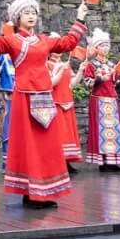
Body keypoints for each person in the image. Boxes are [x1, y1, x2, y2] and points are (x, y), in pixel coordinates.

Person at [0, 0, 89, 208]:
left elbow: (68, 43)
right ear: (17, 18)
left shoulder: (44, 40)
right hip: (24, 97)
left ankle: (44, 190)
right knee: (28, 145)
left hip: (44, 96)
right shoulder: (12, 40)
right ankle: (29, 192)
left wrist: (80, 18)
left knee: (46, 146)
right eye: (26, 13)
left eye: (33, 12)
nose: (31, 16)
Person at [81, 29, 120, 171]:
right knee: (101, 130)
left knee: (114, 130)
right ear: (96, 48)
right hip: (98, 100)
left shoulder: (112, 65)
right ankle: (103, 162)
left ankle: (112, 160)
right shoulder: (91, 65)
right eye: (102, 45)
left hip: (111, 99)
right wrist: (100, 78)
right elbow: (88, 82)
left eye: (107, 45)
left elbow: (117, 83)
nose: (105, 48)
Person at [47, 40, 81, 172]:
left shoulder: (65, 64)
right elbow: (50, 83)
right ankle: (58, 162)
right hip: (55, 102)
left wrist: (80, 71)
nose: (57, 52)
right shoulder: (46, 65)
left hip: (67, 101)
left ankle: (67, 162)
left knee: (68, 134)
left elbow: (71, 84)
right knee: (59, 134)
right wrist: (60, 69)